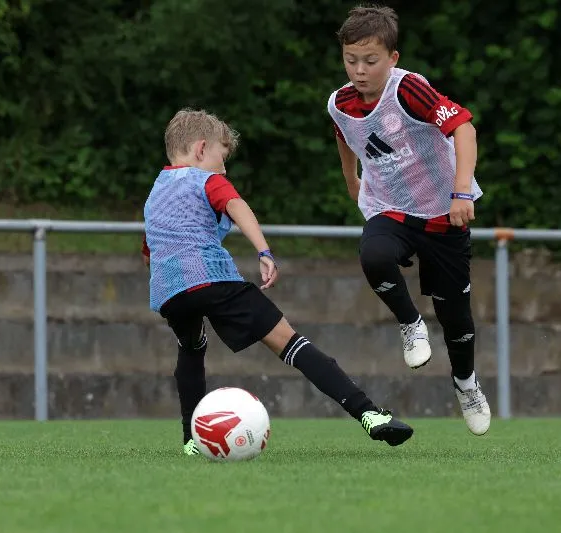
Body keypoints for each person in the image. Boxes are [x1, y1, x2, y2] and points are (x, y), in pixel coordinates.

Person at [142, 108, 414, 455]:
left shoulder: (156, 192)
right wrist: (264, 251)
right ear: (201, 149)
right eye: (221, 158)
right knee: (290, 343)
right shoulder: (206, 180)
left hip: (169, 292)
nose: (223, 169)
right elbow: (236, 205)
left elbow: (149, 248)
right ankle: (369, 414)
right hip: (210, 279)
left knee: (191, 349)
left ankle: (191, 440)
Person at [327, 4, 491, 435]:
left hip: (442, 213)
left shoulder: (409, 90)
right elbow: (344, 132)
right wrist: (351, 179)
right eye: (351, 60)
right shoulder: (340, 102)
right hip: (391, 208)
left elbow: (464, 129)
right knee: (374, 255)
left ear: (392, 58)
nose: (359, 71)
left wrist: (460, 191)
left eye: (370, 61)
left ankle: (466, 383)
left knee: (456, 320)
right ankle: (410, 323)